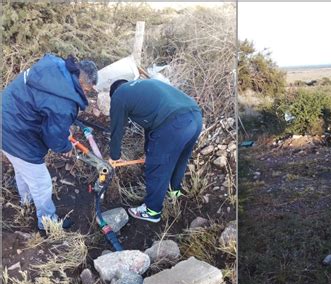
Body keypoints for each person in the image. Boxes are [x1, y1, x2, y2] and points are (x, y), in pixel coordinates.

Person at [2, 54, 98, 235]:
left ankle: (27, 202)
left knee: (22, 169)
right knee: (41, 182)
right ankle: (47, 223)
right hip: (16, 133)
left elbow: (45, 111)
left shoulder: (55, 65)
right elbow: (53, 136)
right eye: (88, 90)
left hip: (6, 116)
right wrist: (66, 147)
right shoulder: (65, 103)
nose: (87, 93)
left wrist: (62, 129)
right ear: (84, 84)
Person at [108, 79, 202, 223]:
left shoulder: (119, 95)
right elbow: (151, 126)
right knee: (180, 159)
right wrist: (148, 151)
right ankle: (174, 192)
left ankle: (152, 211)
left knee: (157, 166)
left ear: (113, 93)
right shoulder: (144, 87)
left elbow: (117, 129)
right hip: (195, 117)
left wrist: (114, 156)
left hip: (174, 124)